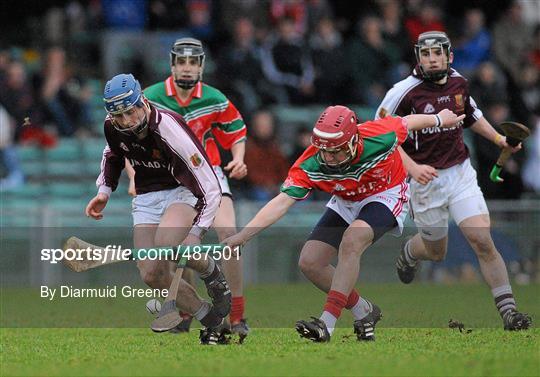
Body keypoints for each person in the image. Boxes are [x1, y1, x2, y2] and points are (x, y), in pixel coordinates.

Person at [224, 104, 465, 342]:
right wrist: (243, 236)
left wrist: (440, 119)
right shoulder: (312, 162)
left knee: (353, 239)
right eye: (323, 150)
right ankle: (364, 310)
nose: (328, 157)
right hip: (346, 198)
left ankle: (326, 324)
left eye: (335, 151)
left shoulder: (379, 134)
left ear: (353, 140)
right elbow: (282, 201)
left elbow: (408, 122)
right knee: (310, 262)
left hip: (385, 193)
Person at [375, 31, 532, 331]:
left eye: (437, 54)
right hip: (425, 181)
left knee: (483, 240)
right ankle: (410, 251)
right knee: (437, 251)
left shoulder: (459, 82)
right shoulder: (402, 92)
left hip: (460, 173)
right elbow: (382, 135)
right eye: (425, 54)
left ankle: (510, 313)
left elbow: (472, 114)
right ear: (418, 57)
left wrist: (500, 139)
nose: (432, 60)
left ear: (449, 56)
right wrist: (412, 167)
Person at [86, 73, 231, 344]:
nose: (126, 121)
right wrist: (104, 191)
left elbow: (210, 186)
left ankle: (212, 271)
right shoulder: (112, 126)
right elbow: (113, 154)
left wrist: (197, 233)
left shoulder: (168, 127)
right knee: (152, 273)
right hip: (147, 196)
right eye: (119, 116)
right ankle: (210, 318)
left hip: (182, 190)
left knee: (168, 243)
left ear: (141, 102)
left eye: (130, 112)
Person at [142, 38, 249, 337]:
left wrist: (238, 159)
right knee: (179, 245)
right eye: (181, 62)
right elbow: (133, 140)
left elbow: (236, 131)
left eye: (193, 62)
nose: (187, 68)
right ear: (172, 65)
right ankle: (190, 310)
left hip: (209, 173)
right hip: (171, 178)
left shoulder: (215, 98)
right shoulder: (150, 98)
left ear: (201, 66)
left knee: (229, 236)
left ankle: (237, 315)